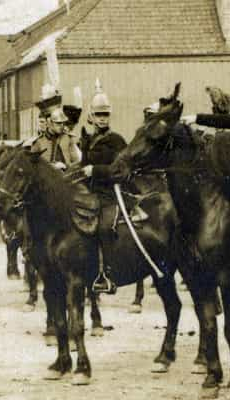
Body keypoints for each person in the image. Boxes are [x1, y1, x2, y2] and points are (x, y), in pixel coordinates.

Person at [75, 80, 129, 294]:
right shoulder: (89, 139)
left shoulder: (117, 141)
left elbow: (122, 170)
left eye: (105, 115)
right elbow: (82, 164)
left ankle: (105, 273)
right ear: (92, 117)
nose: (103, 119)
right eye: (99, 115)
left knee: (104, 226)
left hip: (109, 193)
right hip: (88, 192)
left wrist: (95, 170)